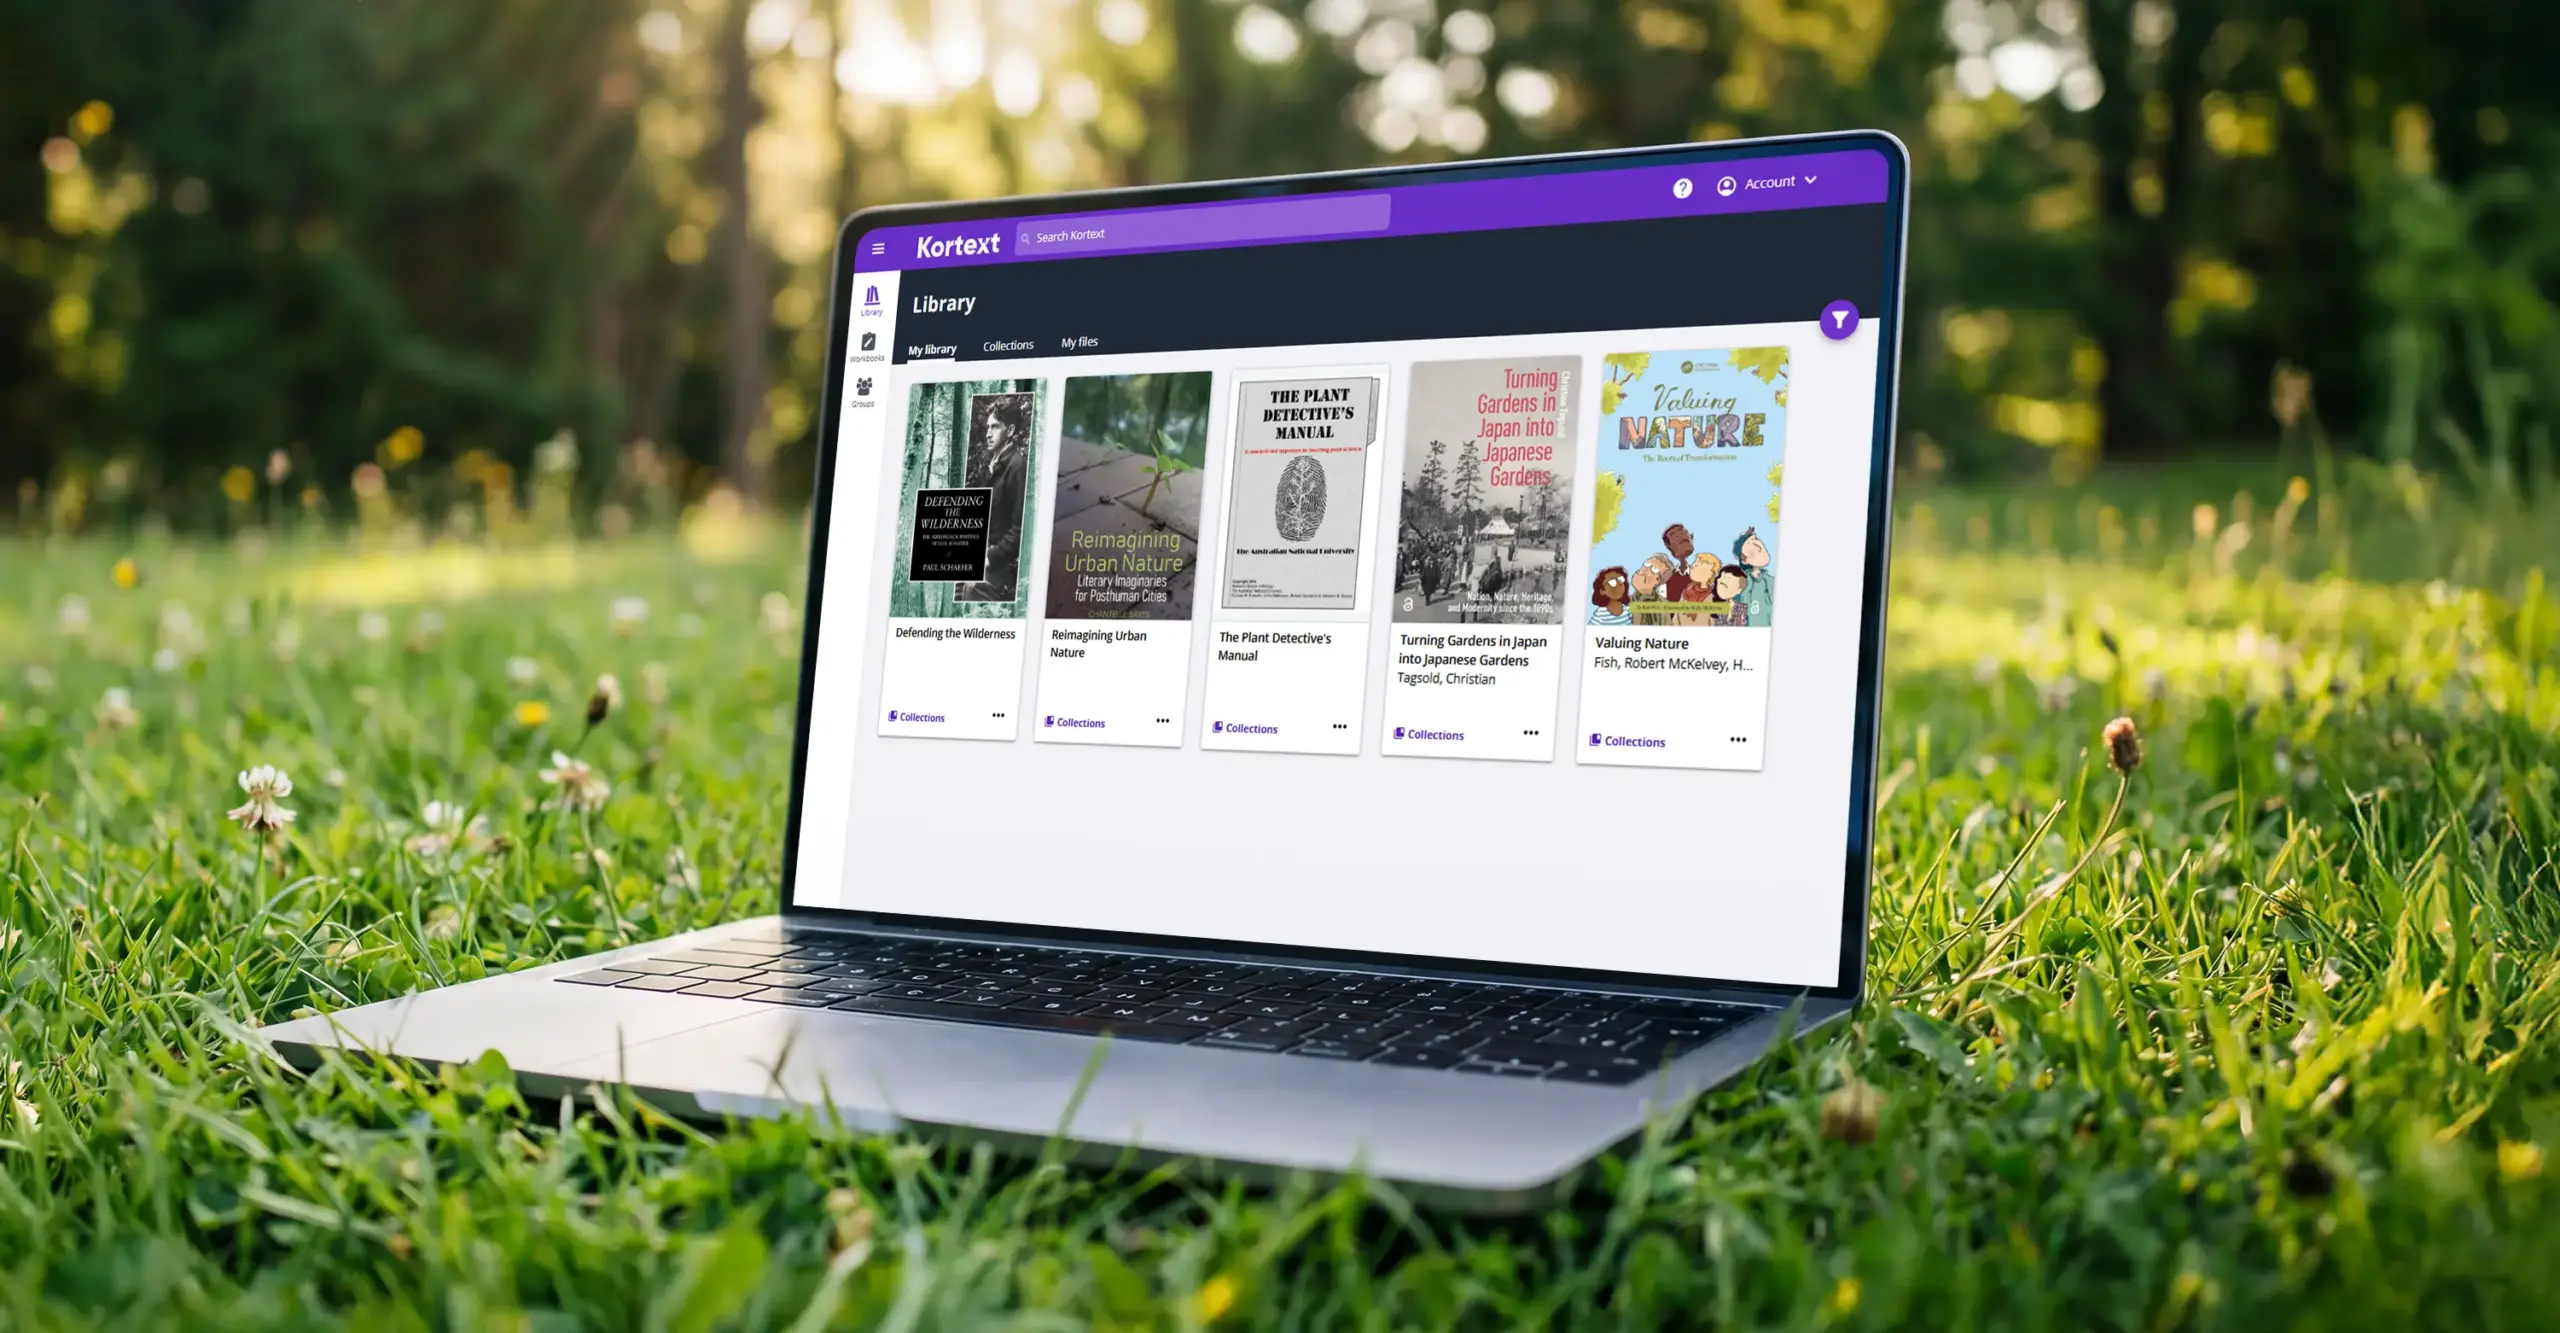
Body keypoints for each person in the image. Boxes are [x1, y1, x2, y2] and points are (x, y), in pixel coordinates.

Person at [1731, 527, 1775, 627]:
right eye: (1750, 543)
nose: (1757, 544)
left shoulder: (1771, 581)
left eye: (1755, 539)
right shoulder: (1743, 583)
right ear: (1744, 560)